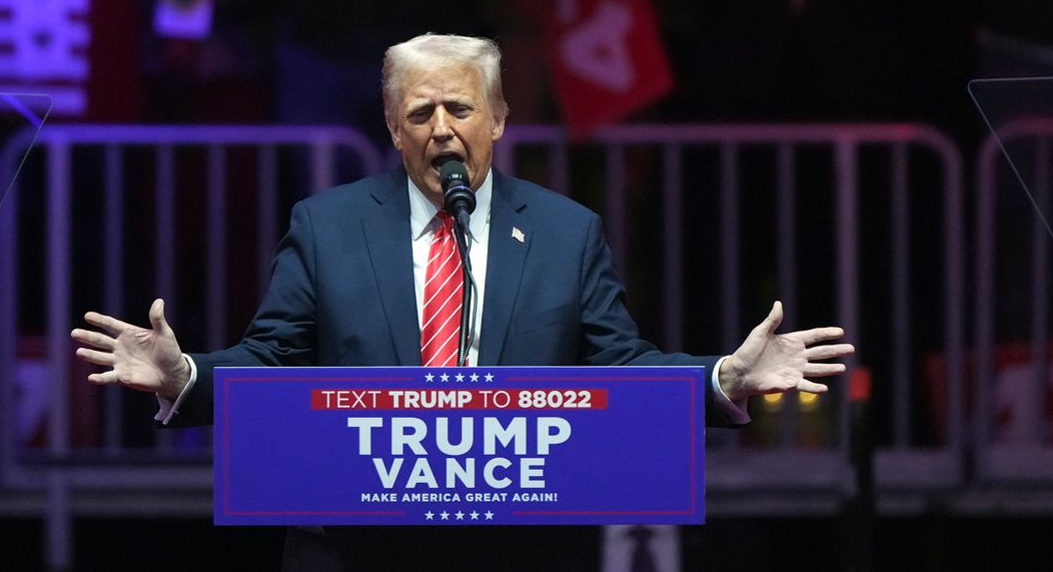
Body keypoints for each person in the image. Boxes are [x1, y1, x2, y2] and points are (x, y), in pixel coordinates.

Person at [71, 33, 854, 571]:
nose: (441, 129)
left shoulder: (566, 232)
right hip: (355, 547)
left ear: (500, 119)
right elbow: (270, 359)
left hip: (519, 549)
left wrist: (721, 378)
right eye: (420, 113)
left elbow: (622, 366)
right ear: (393, 128)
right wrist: (188, 375)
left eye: (461, 109)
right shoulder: (327, 226)